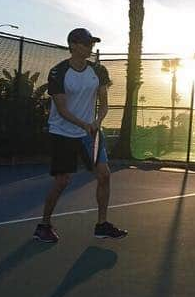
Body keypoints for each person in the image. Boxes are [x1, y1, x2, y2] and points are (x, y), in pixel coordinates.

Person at [34, 27, 128, 242]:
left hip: (89, 132)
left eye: (92, 44)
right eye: (87, 44)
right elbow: (62, 109)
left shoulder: (98, 71)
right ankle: (43, 225)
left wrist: (97, 122)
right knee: (62, 181)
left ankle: (102, 225)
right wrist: (84, 124)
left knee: (104, 175)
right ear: (74, 46)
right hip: (63, 132)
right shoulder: (58, 72)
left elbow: (104, 103)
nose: (91, 47)